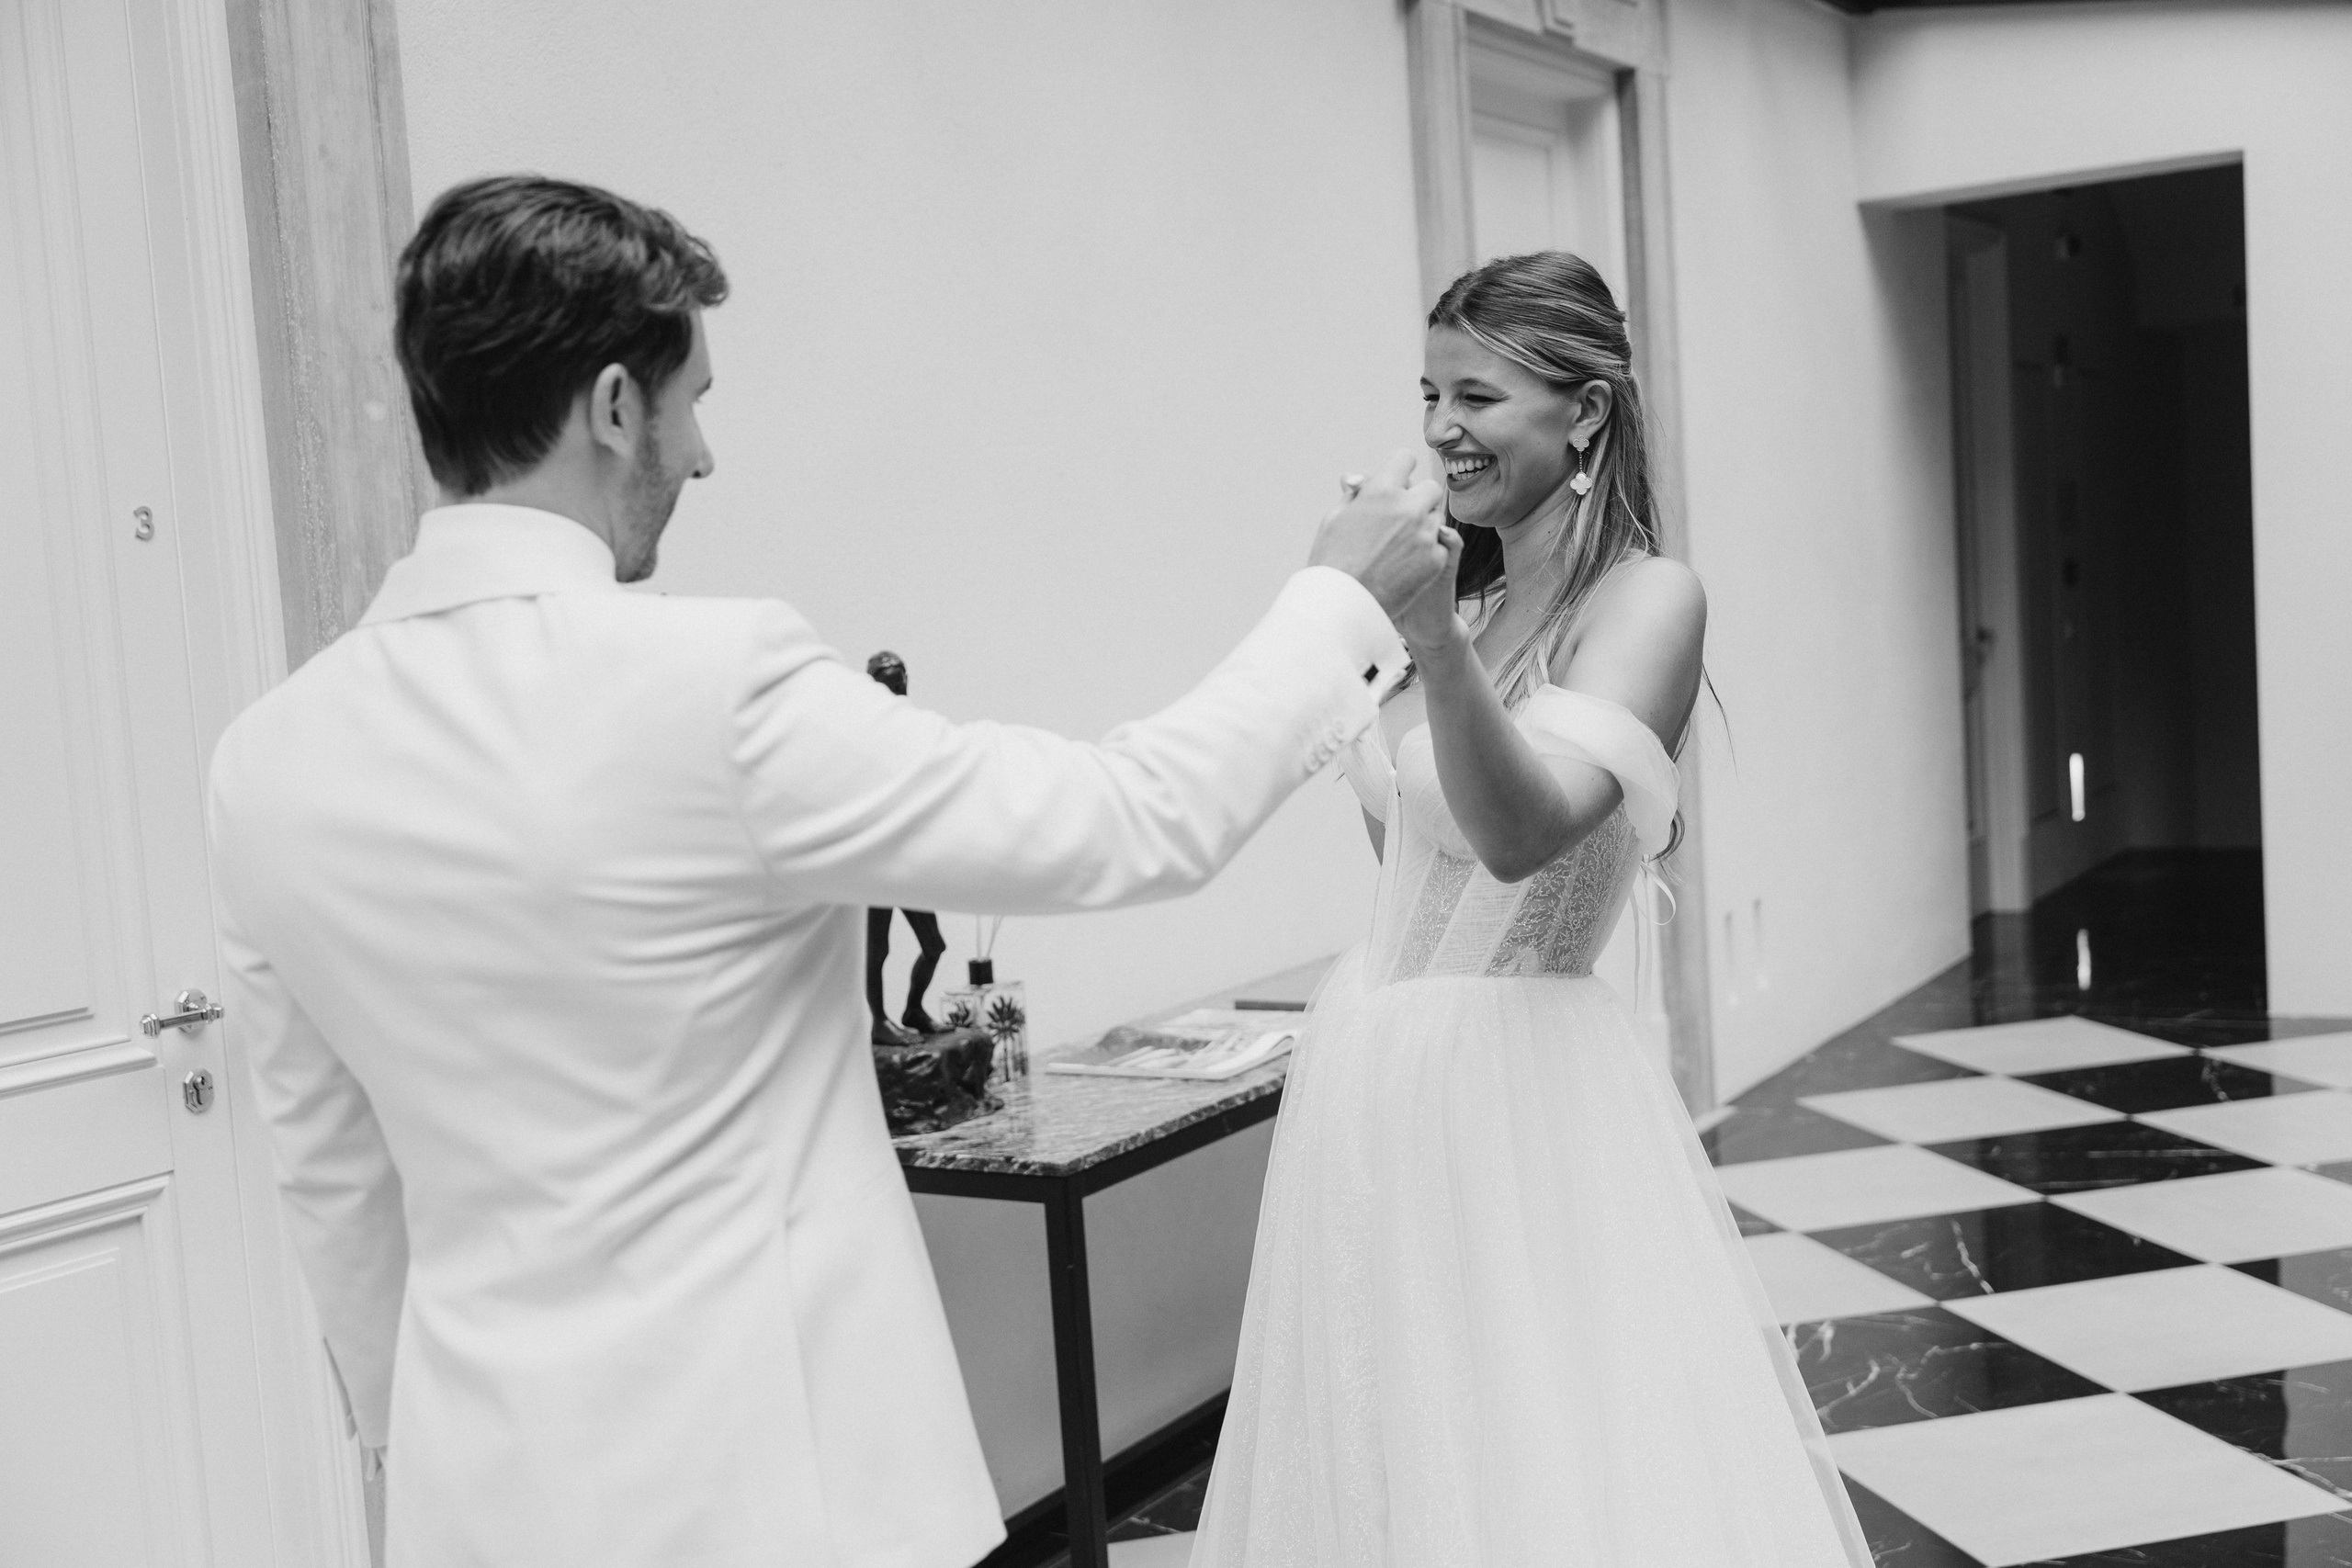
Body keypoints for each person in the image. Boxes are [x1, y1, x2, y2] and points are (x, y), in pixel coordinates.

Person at [205, 174, 1452, 1568]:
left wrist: (433, 1453)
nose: (702, 455)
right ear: (615, 406)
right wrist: (1342, 599)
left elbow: (338, 1195)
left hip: (484, 1503)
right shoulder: (709, 684)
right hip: (790, 1496)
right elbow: (1124, 819)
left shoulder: (263, 763)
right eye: (694, 402)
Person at [1189, 252, 1872, 1566]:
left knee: (1534, 1453)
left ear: (1587, 413)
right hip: (1367, 1070)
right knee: (1389, 1447)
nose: (1441, 428)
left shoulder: (1650, 601)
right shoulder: (1476, 603)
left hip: (1520, 1087)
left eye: (1480, 396)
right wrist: (1353, 622)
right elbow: (1406, 854)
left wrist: (1433, 640)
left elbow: (1516, 841)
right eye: (1430, 392)